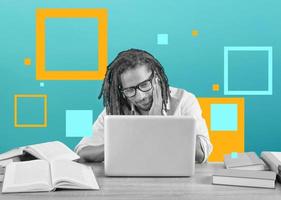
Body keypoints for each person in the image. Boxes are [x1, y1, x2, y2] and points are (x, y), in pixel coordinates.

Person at [75, 49, 213, 163]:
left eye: (144, 85)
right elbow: (82, 152)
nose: (140, 96)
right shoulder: (115, 109)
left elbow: (202, 153)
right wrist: (122, 144)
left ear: (156, 78)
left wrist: (159, 124)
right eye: (130, 90)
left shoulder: (184, 100)